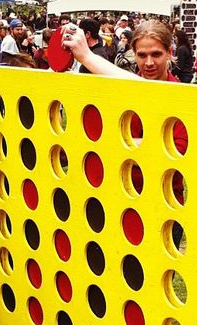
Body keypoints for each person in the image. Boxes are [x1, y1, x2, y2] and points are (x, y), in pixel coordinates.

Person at [62, 19, 187, 244]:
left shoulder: (181, 97)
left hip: (164, 210)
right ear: (133, 53)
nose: (148, 62)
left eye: (156, 54)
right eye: (141, 55)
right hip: (123, 205)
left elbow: (172, 152)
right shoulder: (121, 90)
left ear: (169, 52)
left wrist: (119, 144)